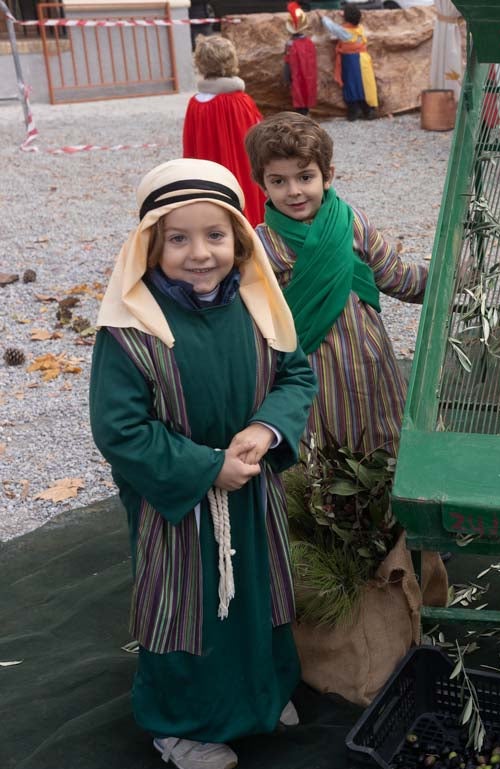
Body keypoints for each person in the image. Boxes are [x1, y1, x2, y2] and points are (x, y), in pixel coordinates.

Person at [90, 159, 316, 769]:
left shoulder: (256, 306)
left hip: (251, 485)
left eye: (215, 236)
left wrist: (264, 430)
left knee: (260, 590)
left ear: (239, 238)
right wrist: (206, 467)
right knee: (186, 605)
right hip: (180, 503)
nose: (200, 254)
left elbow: (295, 376)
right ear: (151, 245)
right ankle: (180, 724)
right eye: (179, 238)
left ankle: (261, 696)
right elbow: (120, 429)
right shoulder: (130, 331)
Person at [245, 112, 426, 460]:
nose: (294, 191)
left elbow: (396, 277)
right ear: (261, 183)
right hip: (310, 374)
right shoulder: (260, 248)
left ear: (327, 175)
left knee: (384, 454)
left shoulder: (352, 223)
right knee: (323, 465)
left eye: (305, 176)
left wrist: (450, 279)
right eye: (279, 181)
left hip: (369, 363)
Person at [182, 35, 267, 226]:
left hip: (209, 177)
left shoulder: (195, 103)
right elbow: (259, 141)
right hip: (242, 173)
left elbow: (190, 148)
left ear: (200, 64)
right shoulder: (240, 101)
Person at [320, 4, 378, 121]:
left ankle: (353, 112)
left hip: (352, 60)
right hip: (363, 59)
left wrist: (323, 17)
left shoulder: (345, 32)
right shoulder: (359, 28)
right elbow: (350, 22)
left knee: (351, 85)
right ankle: (367, 111)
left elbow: (331, 27)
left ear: (346, 18)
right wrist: (346, 16)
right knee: (363, 86)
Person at [283, 1, 318, 117]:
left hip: (296, 77)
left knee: (298, 96)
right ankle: (306, 112)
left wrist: (286, 77)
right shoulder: (309, 42)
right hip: (308, 77)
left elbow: (287, 62)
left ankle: (301, 115)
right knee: (306, 93)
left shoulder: (290, 44)